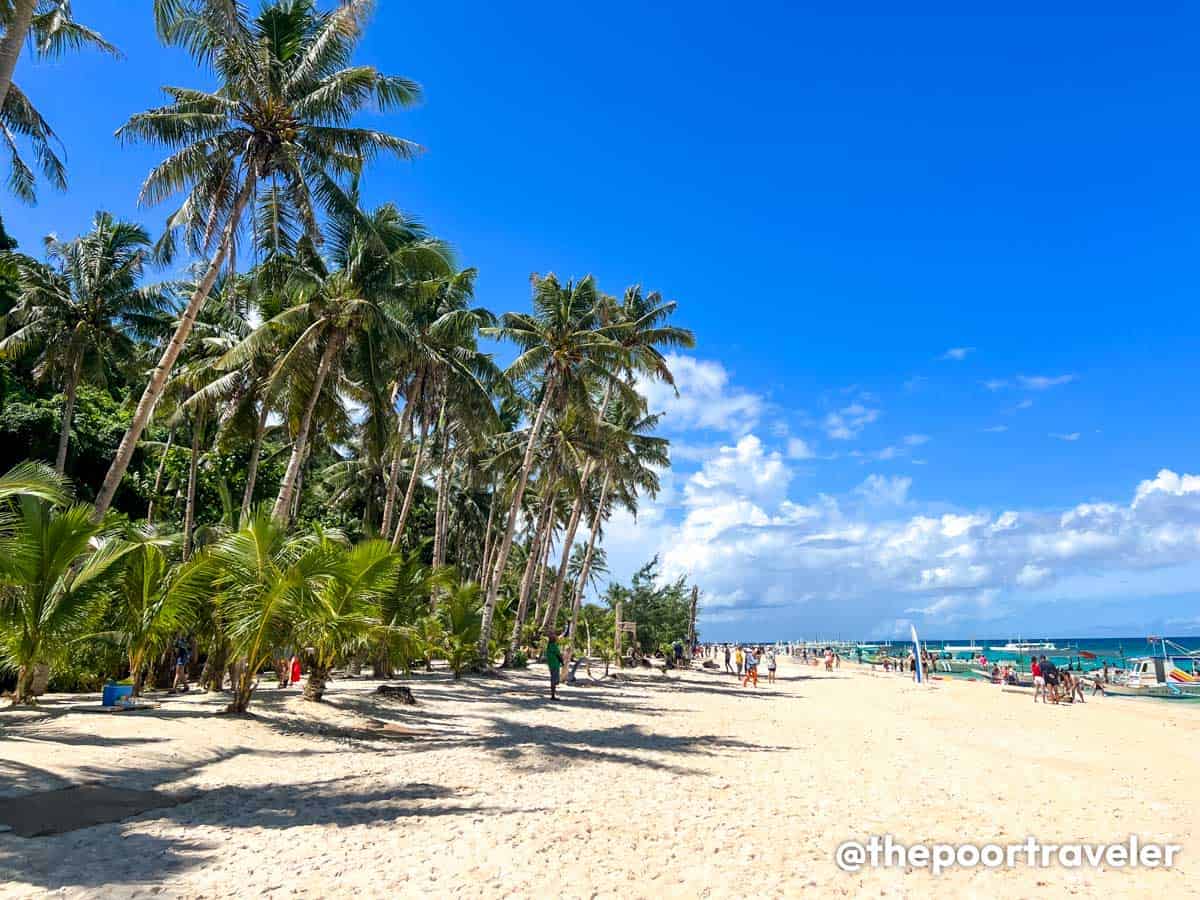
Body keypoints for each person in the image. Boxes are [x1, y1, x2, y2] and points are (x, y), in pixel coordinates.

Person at [545, 632, 563, 700]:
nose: (556, 638)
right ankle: (553, 696)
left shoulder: (549, 645)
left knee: (554, 679)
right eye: (555, 637)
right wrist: (562, 662)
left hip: (552, 664)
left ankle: (553, 695)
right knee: (554, 680)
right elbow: (559, 655)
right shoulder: (553, 646)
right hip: (555, 665)